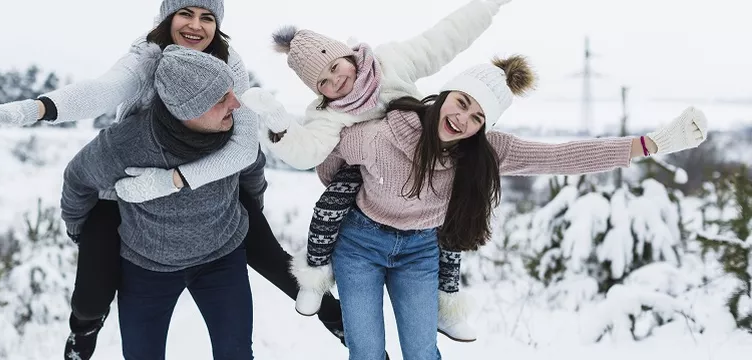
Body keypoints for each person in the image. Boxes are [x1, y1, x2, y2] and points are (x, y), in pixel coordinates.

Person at [0, 1, 349, 358]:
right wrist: (37, 109)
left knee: (268, 252)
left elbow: (245, 151)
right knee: (91, 292)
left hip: (212, 176)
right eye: (185, 13)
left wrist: (181, 182)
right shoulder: (145, 59)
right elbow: (102, 91)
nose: (196, 25)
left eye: (207, 17)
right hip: (129, 183)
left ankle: (334, 316)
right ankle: (84, 329)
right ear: (167, 17)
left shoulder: (228, 64)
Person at [308, 54, 708, 359]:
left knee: (422, 352)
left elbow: (561, 157)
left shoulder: (486, 152)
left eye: (477, 117)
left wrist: (648, 144)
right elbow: (330, 157)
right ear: (446, 95)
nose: (462, 119)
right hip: (359, 246)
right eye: (461, 102)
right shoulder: (383, 134)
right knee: (366, 351)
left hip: (419, 252)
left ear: (486, 126)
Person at [239, 0, 515, 341]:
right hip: (365, 170)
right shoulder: (328, 113)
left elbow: (443, 39)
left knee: (447, 211)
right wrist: (281, 126)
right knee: (329, 206)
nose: (336, 81)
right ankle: (315, 277)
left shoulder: (391, 62)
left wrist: (487, 6)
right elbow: (307, 150)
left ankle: (446, 303)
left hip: (423, 155)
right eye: (323, 82)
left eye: (335, 66)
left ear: (347, 55)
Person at [61, 45, 262, 360]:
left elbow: (252, 164)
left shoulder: (231, 129)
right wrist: (78, 230)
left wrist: (254, 205)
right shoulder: (127, 143)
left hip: (221, 258)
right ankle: (84, 329)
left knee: (235, 354)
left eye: (231, 92)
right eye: (222, 98)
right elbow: (78, 177)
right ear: (188, 109)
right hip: (147, 267)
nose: (236, 104)